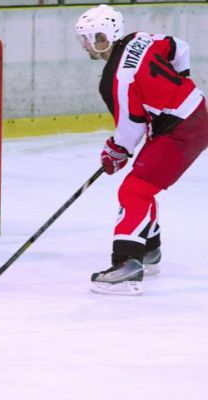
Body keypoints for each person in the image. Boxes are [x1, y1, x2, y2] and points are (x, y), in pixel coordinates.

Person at [75, 5, 208, 295]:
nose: (88, 45)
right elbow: (179, 47)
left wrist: (116, 151)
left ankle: (127, 266)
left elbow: (131, 128)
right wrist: (180, 81)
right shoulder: (140, 39)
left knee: (135, 190)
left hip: (181, 130)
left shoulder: (115, 79)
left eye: (93, 38)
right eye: (84, 39)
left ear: (109, 35)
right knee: (142, 185)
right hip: (192, 112)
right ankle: (149, 251)